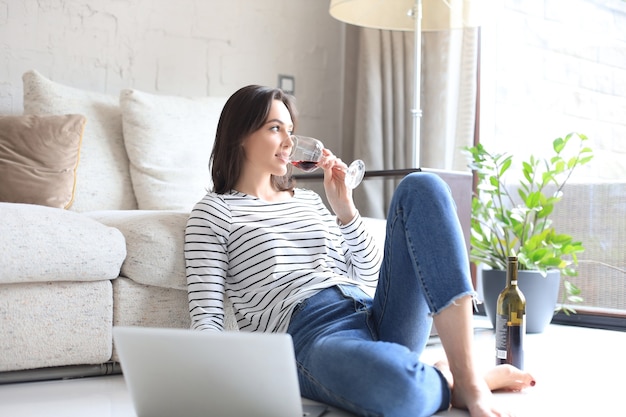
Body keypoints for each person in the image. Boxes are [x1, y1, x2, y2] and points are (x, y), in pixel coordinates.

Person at [184, 85, 535, 417]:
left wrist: (345, 210)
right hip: (310, 336)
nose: (290, 142)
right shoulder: (214, 212)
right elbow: (207, 316)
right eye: (275, 128)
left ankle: (468, 377)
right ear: (239, 135)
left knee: (422, 185)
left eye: (291, 130)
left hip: (373, 311)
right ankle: (446, 378)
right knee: (401, 391)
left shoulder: (307, 202)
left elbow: (367, 275)